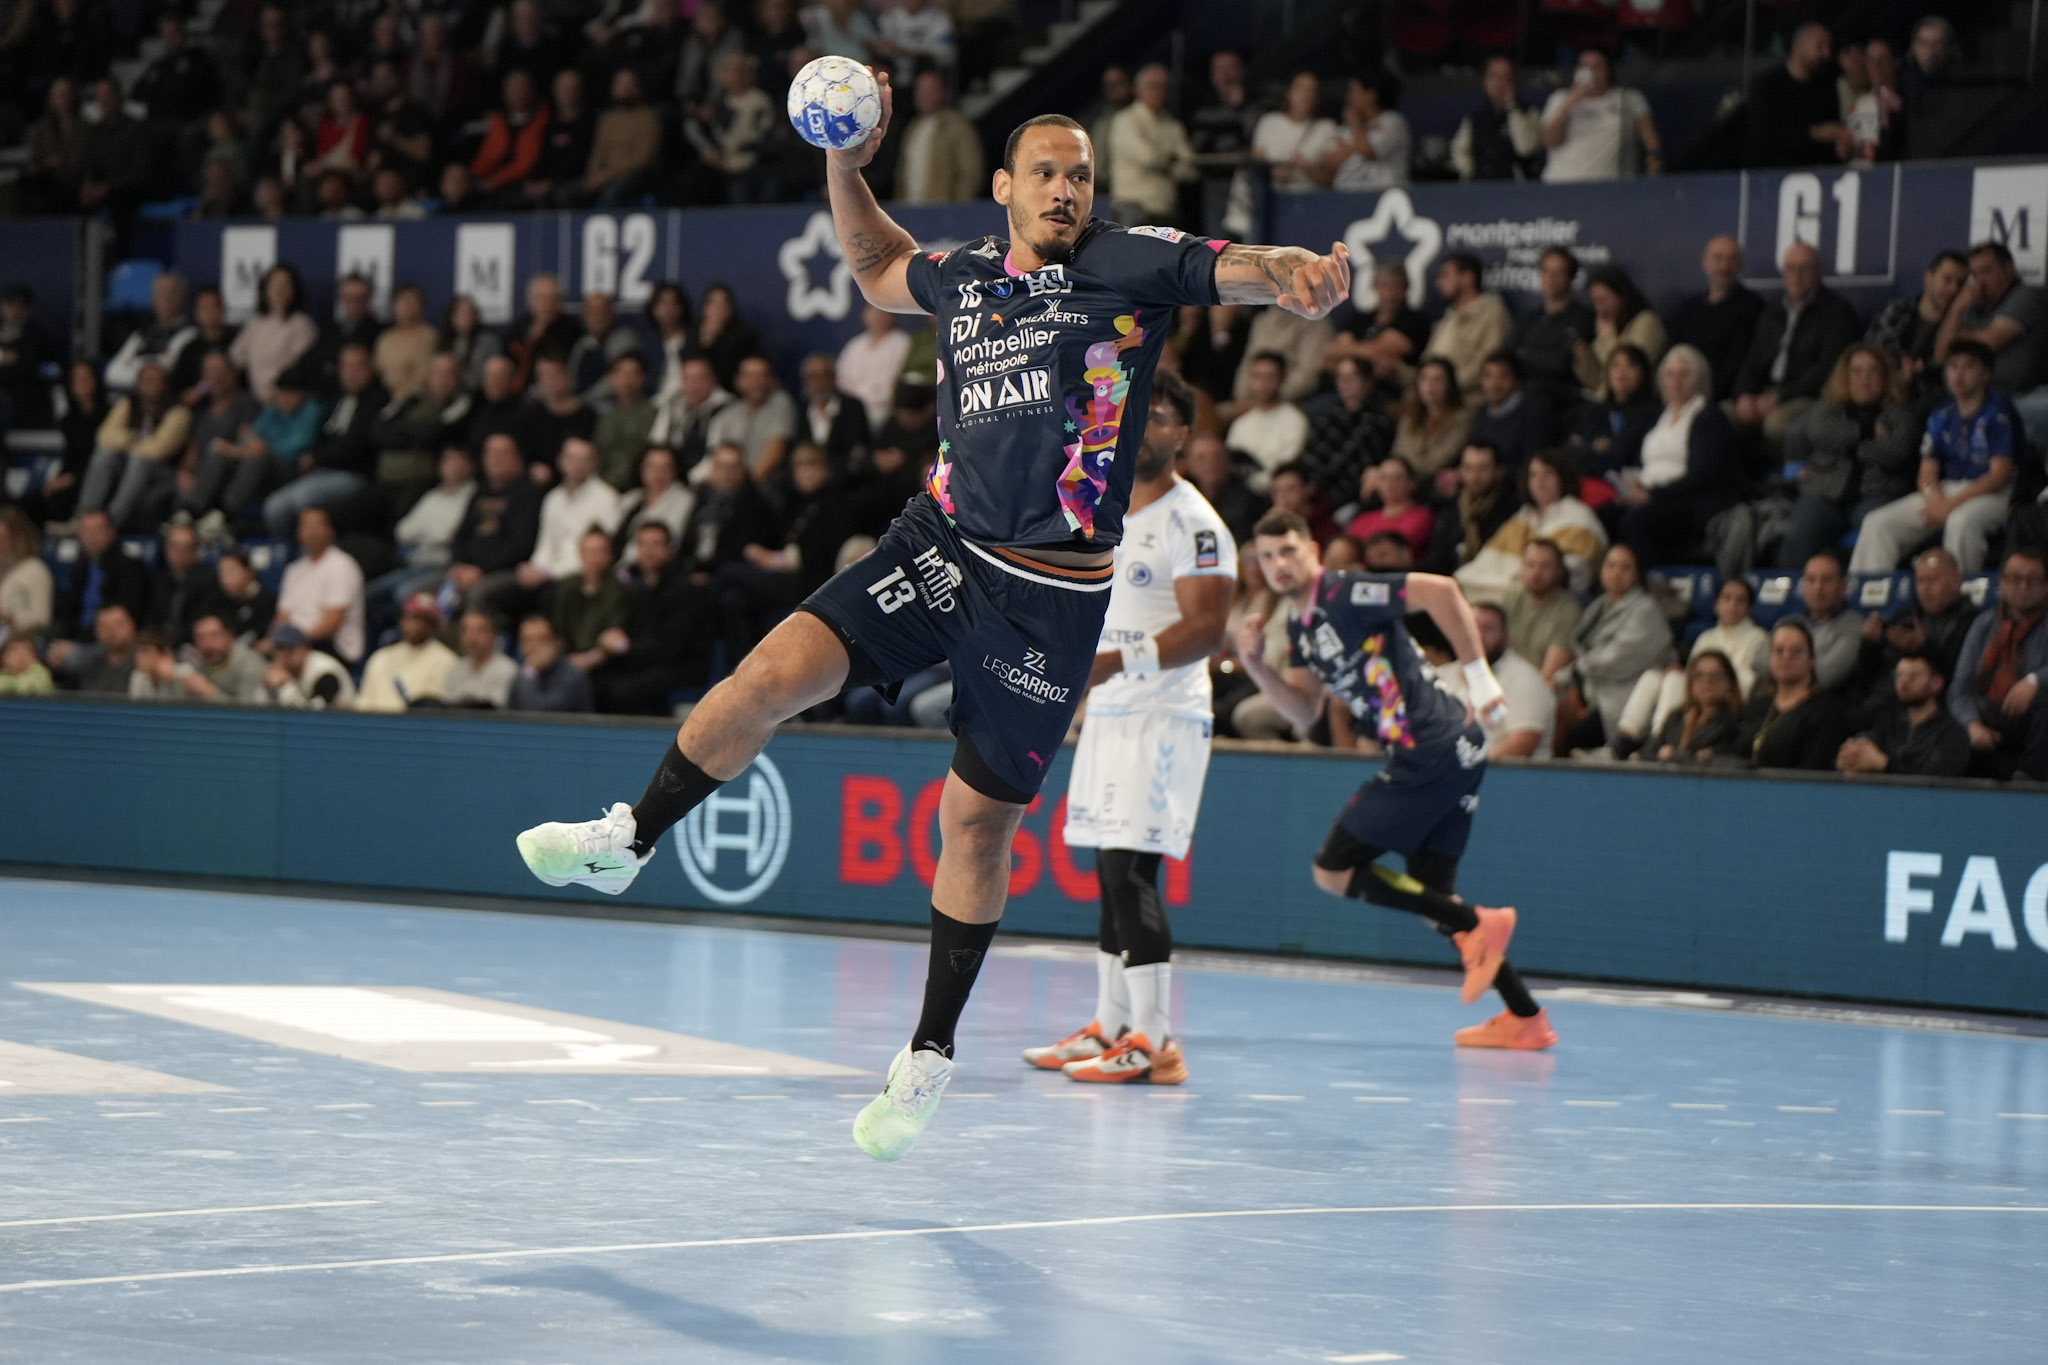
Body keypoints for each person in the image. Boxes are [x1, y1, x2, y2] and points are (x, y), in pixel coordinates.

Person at [514, 93, 1353, 1161]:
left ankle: (927, 1054)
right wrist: (838, 160)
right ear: (1002, 188)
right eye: (1044, 172)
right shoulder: (959, 278)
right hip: (939, 545)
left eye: (1079, 174)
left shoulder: (1123, 264)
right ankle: (630, 840)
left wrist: (1295, 273)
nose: (1064, 189)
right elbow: (874, 264)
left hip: (1050, 599)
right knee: (770, 673)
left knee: (974, 827)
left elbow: (1237, 264)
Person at [1233, 510, 1555, 1048]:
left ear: (1313, 549)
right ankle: (1526, 1017)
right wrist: (1255, 667)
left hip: (1428, 750)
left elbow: (1443, 592)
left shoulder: (1343, 592)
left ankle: (1481, 922)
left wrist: (1479, 677)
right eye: (1266, 557)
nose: (1278, 565)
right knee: (1434, 903)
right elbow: (1308, 714)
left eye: (1288, 550)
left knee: (1331, 871)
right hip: (1455, 751)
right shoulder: (1301, 628)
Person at [1029, 372, 1233, 1084]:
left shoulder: (1197, 524)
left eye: (1163, 417)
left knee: (1130, 870)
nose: (1145, 427)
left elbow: (1208, 629)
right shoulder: (1105, 507)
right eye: (1137, 414)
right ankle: (1109, 1025)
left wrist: (1116, 663)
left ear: (1184, 434)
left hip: (1165, 715)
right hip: (1110, 711)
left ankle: (1156, 1041)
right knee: (1106, 873)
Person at [1850, 341, 2015, 574]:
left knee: (1961, 522)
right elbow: (1927, 471)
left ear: (1985, 374)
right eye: (1953, 366)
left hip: (1992, 493)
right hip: (1947, 490)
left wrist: (1950, 505)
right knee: (1877, 522)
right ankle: (1870, 599)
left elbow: (2000, 474)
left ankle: (1957, 597)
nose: (1959, 374)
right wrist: (1934, 497)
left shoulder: (1998, 411)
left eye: (1968, 367)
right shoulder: (1941, 413)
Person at [1778, 343, 1920, 570]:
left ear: (1885, 377)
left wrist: (1846, 444)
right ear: (1845, 376)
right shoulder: (1828, 406)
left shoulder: (1900, 411)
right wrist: (1868, 432)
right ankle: (1793, 599)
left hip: (1876, 493)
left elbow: (1896, 452)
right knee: (1799, 534)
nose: (1864, 379)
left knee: (1878, 528)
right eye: (1856, 371)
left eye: (1873, 371)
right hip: (1824, 493)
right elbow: (1819, 433)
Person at [1730, 241, 1862, 451]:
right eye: (1790, 268)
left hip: (1806, 397)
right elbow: (1752, 358)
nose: (1796, 275)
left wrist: (1779, 398)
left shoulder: (1836, 313)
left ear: (1819, 271)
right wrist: (1744, 395)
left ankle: (1781, 482)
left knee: (1776, 425)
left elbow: (1827, 370)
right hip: (1763, 392)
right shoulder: (1772, 311)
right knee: (1718, 417)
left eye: (1804, 268)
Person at [1616, 345, 1741, 566]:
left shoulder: (1709, 418)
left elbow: (1702, 475)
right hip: (1648, 493)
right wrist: (1631, 482)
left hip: (1685, 502)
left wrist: (1653, 494)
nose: (1675, 381)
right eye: (1670, 374)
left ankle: (1651, 583)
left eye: (1683, 375)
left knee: (1636, 520)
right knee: (1605, 513)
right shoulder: (1657, 416)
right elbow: (1641, 461)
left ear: (1699, 379)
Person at [1935, 241, 2048, 448]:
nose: (1979, 282)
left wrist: (1959, 337)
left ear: (2008, 270)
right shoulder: (1971, 306)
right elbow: (1941, 354)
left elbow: (1987, 344)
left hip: (2020, 395)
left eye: (1986, 271)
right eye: (1974, 274)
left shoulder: (2028, 295)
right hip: (1973, 396)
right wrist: (1956, 310)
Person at [1949, 548, 2048, 781]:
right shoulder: (1983, 625)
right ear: (2002, 582)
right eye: (2015, 579)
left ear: (2045, 585)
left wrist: (2035, 680)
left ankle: (2028, 786)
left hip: (2032, 723)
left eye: (2032, 580)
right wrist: (1972, 725)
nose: (2023, 587)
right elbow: (1960, 690)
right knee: (1949, 726)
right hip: (1990, 721)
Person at [1564, 542, 1674, 748]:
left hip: (1624, 695)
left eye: (1625, 568)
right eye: (1611, 565)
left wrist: (1574, 672)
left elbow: (1616, 659)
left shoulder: (1646, 611)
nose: (1616, 573)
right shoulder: (1599, 605)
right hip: (1591, 690)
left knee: (1571, 735)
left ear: (1637, 574)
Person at [1457, 449, 1606, 601]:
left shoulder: (1579, 518)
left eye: (1548, 473)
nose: (1540, 481)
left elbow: (1575, 577)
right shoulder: (1524, 515)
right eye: (1533, 475)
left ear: (1563, 477)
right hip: (1503, 589)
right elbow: (1489, 560)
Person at [76, 363, 190, 532]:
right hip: (130, 469)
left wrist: (127, 442)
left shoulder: (178, 410)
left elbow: (157, 450)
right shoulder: (128, 404)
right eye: (145, 380)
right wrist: (134, 438)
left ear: (165, 384)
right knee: (105, 454)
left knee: (140, 460)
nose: (149, 385)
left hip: (164, 474)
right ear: (138, 384)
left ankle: (111, 523)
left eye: (155, 380)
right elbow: (103, 437)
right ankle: (83, 518)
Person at [1433, 601, 1553, 760]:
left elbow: (1521, 745)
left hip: (1508, 778)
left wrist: (1462, 772)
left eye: (1488, 629)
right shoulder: (1442, 675)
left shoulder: (1525, 679)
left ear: (1506, 637)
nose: (1478, 635)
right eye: (1471, 626)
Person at [1737, 620, 1849, 769]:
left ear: (1811, 659)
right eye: (1779, 650)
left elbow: (1816, 768)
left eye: (1796, 651)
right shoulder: (1757, 706)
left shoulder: (1826, 711)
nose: (1786, 656)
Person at [1838, 653, 1970, 778]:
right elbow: (1873, 738)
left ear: (1936, 683)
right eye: (1899, 675)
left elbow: (1936, 782)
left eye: (1913, 676)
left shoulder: (1952, 734)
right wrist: (1857, 750)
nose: (1904, 682)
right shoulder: (1891, 721)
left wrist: (1883, 763)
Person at [1667, 235, 1764, 404]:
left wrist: (1704, 395)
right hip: (1680, 395)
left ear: (1740, 266)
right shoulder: (1687, 309)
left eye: (1731, 260)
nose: (1724, 267)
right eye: (1718, 258)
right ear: (1705, 263)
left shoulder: (1752, 307)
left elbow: (1740, 364)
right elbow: (1673, 354)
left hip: (1721, 398)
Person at [1539, 49, 1660, 183]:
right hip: (1561, 184)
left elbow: (1652, 144)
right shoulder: (1559, 98)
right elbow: (1550, 141)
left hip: (1610, 186)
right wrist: (1568, 105)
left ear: (1608, 70)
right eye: (1585, 66)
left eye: (1597, 66)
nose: (1591, 72)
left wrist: (1653, 174)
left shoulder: (1628, 98)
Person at [1868, 250, 1969, 406]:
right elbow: (1872, 350)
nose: (1954, 289)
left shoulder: (1962, 324)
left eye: (1960, 283)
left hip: (1930, 405)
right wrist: (1900, 365)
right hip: (1882, 394)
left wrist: (1921, 369)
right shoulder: (1896, 310)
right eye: (1947, 279)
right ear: (1929, 279)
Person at [1325, 258, 1429, 409]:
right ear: (1374, 286)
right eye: (1384, 285)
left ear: (1405, 288)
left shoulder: (1413, 321)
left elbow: (1384, 348)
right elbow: (1330, 352)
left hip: (1389, 392)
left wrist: (1350, 352)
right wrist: (1372, 355)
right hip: (1342, 391)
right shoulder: (1361, 318)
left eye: (1396, 286)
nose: (1389, 292)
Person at [1744, 22, 1845, 169]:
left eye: (1829, 48)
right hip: (1769, 175)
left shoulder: (1826, 89)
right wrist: (1815, 133)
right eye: (1820, 46)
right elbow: (1765, 135)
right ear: (1798, 47)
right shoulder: (1767, 85)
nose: (1827, 54)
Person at [1510, 247, 1594, 414]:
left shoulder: (1583, 318)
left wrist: (1525, 355)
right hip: (1522, 398)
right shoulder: (1529, 318)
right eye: (1546, 271)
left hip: (1563, 402)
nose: (1551, 278)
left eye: (1559, 272)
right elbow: (1509, 355)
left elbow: (1562, 364)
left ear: (1571, 277)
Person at [1422, 254, 1512, 397]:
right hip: (1434, 399)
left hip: (1467, 401)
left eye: (1445, 275)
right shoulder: (1448, 318)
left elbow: (1488, 363)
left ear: (1468, 278)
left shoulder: (1492, 311)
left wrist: (1447, 387)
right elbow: (1428, 363)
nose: (1439, 283)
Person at [1567, 344, 1659, 481]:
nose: (1621, 372)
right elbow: (1569, 449)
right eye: (1615, 365)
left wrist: (1589, 446)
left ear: (1643, 373)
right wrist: (1596, 446)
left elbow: (1621, 455)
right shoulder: (1595, 410)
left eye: (1630, 365)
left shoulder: (1651, 413)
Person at [229, 264, 319, 405]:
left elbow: (302, 369)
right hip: (255, 403)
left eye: (285, 284)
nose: (279, 289)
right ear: (265, 289)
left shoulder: (301, 324)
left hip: (287, 405)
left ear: (294, 291)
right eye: (274, 284)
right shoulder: (256, 323)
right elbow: (235, 359)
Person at [1574, 265, 1666, 401]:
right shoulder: (1607, 328)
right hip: (1608, 403)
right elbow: (1601, 382)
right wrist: (1586, 359)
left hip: (1640, 403)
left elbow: (1629, 372)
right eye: (1595, 302)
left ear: (1622, 296)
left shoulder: (1647, 322)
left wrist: (1607, 337)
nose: (1599, 309)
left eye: (1603, 300)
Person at [356, 592, 459, 713]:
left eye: (424, 620)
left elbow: (434, 709)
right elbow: (363, 703)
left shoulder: (447, 660)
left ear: (435, 626)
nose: (416, 625)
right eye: (412, 617)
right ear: (402, 620)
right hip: (373, 725)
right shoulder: (381, 657)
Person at [1641, 649, 1743, 766]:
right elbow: (1646, 753)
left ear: (1729, 682)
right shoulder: (1676, 718)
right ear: (1691, 682)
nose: (1707, 681)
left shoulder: (1735, 722)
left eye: (1716, 675)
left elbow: (1724, 760)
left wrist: (1675, 756)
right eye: (1699, 675)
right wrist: (1661, 754)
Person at [103, 271, 198, 394]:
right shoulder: (141, 332)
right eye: (160, 293)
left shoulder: (190, 333)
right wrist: (146, 372)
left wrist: (133, 364)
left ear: (181, 298)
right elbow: (112, 373)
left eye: (172, 292)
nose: (166, 298)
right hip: (134, 401)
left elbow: (163, 372)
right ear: (153, 298)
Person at [1500, 538, 1582, 679]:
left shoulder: (1569, 612)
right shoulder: (1513, 595)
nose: (1536, 573)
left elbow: (1549, 675)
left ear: (1559, 570)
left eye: (1545, 566)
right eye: (1530, 565)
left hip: (1535, 688)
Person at [1224, 351, 1308, 487]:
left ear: (1283, 379)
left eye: (1270, 377)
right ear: (1250, 379)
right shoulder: (1240, 424)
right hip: (1239, 493)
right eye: (1257, 376)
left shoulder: (1295, 421)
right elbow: (1229, 465)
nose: (1262, 383)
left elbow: (1286, 469)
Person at [1451, 55, 1540, 182]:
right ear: (1485, 81)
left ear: (1514, 81)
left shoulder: (1528, 113)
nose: (1499, 83)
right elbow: (1459, 149)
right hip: (1481, 189)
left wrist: (1512, 107)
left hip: (1515, 190)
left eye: (1505, 77)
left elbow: (1525, 148)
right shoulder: (1475, 118)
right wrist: (1470, 172)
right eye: (1494, 76)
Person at [1250, 71, 1339, 195]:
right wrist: (1273, 174)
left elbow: (1333, 178)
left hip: (1312, 198)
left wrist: (1307, 168)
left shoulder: (1327, 127)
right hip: (1272, 198)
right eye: (1300, 88)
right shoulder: (1269, 121)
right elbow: (1257, 163)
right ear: (1288, 92)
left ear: (1318, 97)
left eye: (1311, 90)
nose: (1306, 95)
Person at [1320, 73, 1409, 194]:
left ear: (1370, 95)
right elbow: (1328, 161)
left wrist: (1355, 126)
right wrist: (1356, 145)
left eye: (1354, 91)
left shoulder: (1392, 121)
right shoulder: (1346, 129)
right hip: (1345, 197)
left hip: (1383, 196)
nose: (1348, 96)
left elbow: (1367, 151)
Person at [1390, 357, 1473, 483]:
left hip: (1432, 485)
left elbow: (1435, 464)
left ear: (1450, 384)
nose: (1430, 385)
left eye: (1437, 379)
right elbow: (1398, 453)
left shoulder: (1462, 418)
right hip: (1403, 481)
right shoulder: (1410, 415)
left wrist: (1399, 472)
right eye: (1424, 378)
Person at [1468, 352, 1552, 470]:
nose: (1494, 384)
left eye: (1503, 376)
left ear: (1516, 380)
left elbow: (1534, 463)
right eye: (1488, 376)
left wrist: (1501, 475)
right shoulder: (1482, 412)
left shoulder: (1534, 412)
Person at [837, 304, 911, 433]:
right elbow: (842, 378)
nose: (877, 317)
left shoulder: (902, 342)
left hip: (884, 407)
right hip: (854, 407)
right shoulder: (855, 344)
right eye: (873, 312)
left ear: (892, 315)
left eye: (881, 312)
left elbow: (897, 379)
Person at [1346, 455, 1433, 560]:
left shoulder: (1422, 515)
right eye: (1384, 478)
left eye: (1397, 478)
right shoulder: (1362, 520)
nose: (1390, 483)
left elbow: (1395, 549)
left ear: (1412, 483)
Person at [508, 614, 592, 712]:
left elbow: (542, 713)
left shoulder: (573, 675)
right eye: (528, 640)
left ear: (556, 642)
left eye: (542, 639)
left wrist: (531, 669)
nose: (535, 646)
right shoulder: (522, 674)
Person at [261, 622, 356, 709]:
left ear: (306, 649)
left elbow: (311, 715)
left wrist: (285, 686)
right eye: (279, 650)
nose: (283, 657)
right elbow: (260, 704)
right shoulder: (276, 669)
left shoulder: (325, 672)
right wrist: (270, 689)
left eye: (290, 650)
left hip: (348, 723)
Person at [440, 610, 519, 709]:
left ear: (493, 635)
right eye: (466, 630)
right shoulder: (456, 667)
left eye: (480, 630)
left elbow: (494, 709)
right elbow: (445, 707)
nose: (472, 637)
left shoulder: (507, 669)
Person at [0, 507, 53, 641]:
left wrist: (9, 619)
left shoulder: (34, 569)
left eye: (2, 538)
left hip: (21, 642)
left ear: (18, 539)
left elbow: (41, 619)